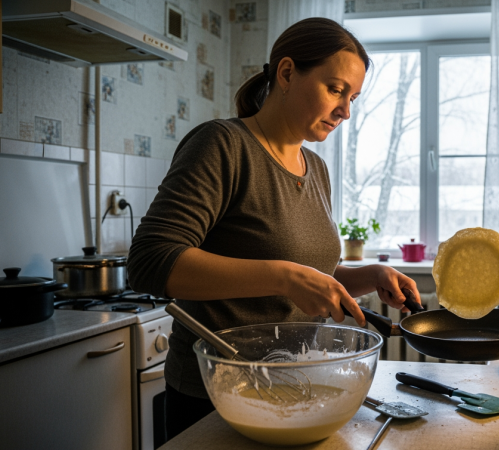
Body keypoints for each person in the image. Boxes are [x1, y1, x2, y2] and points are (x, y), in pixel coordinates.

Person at [127, 17, 421, 441]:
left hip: (294, 390)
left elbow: (308, 275)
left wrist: (370, 277)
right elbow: (149, 261)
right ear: (286, 73)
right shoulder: (222, 145)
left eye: (353, 97)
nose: (346, 111)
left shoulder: (316, 169)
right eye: (336, 90)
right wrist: (284, 276)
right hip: (219, 397)